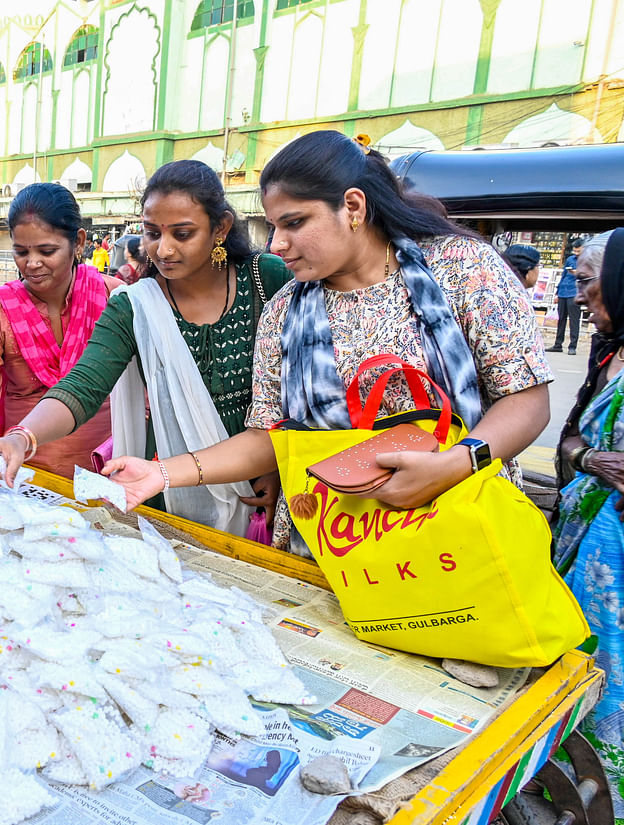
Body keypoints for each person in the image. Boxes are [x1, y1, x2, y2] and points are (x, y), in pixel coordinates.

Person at [72, 130, 551, 555]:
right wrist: (163, 474)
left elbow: (526, 400)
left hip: (458, 533)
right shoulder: (287, 309)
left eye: (294, 223)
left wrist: (455, 464)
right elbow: (267, 438)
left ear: (354, 208)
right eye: (273, 226)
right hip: (332, 543)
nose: (276, 243)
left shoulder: (460, 269)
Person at [0, 160, 291, 535]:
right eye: (153, 233)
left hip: (259, 479)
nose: (165, 249)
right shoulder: (135, 306)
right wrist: (21, 437)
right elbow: (83, 386)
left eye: (183, 234)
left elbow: (294, 389)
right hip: (164, 479)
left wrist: (274, 464)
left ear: (219, 227)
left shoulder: (266, 278)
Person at [0, 184, 118, 499]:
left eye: (47, 251)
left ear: (78, 242)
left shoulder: (113, 299)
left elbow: (146, 394)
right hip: (26, 480)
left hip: (108, 477)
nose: (32, 263)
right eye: (21, 252)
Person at [552, 229, 624, 815]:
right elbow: (573, 438)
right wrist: (589, 459)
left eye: (585, 281)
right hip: (585, 542)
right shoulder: (610, 349)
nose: (577, 295)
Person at [551, 237, 583, 355]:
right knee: (561, 319)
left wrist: (577, 273)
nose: (576, 253)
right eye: (575, 251)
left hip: (575, 292)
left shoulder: (586, 260)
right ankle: (558, 344)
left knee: (574, 320)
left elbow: (589, 277)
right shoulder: (570, 259)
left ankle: (572, 346)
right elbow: (564, 275)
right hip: (564, 291)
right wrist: (557, 292)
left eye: (578, 251)